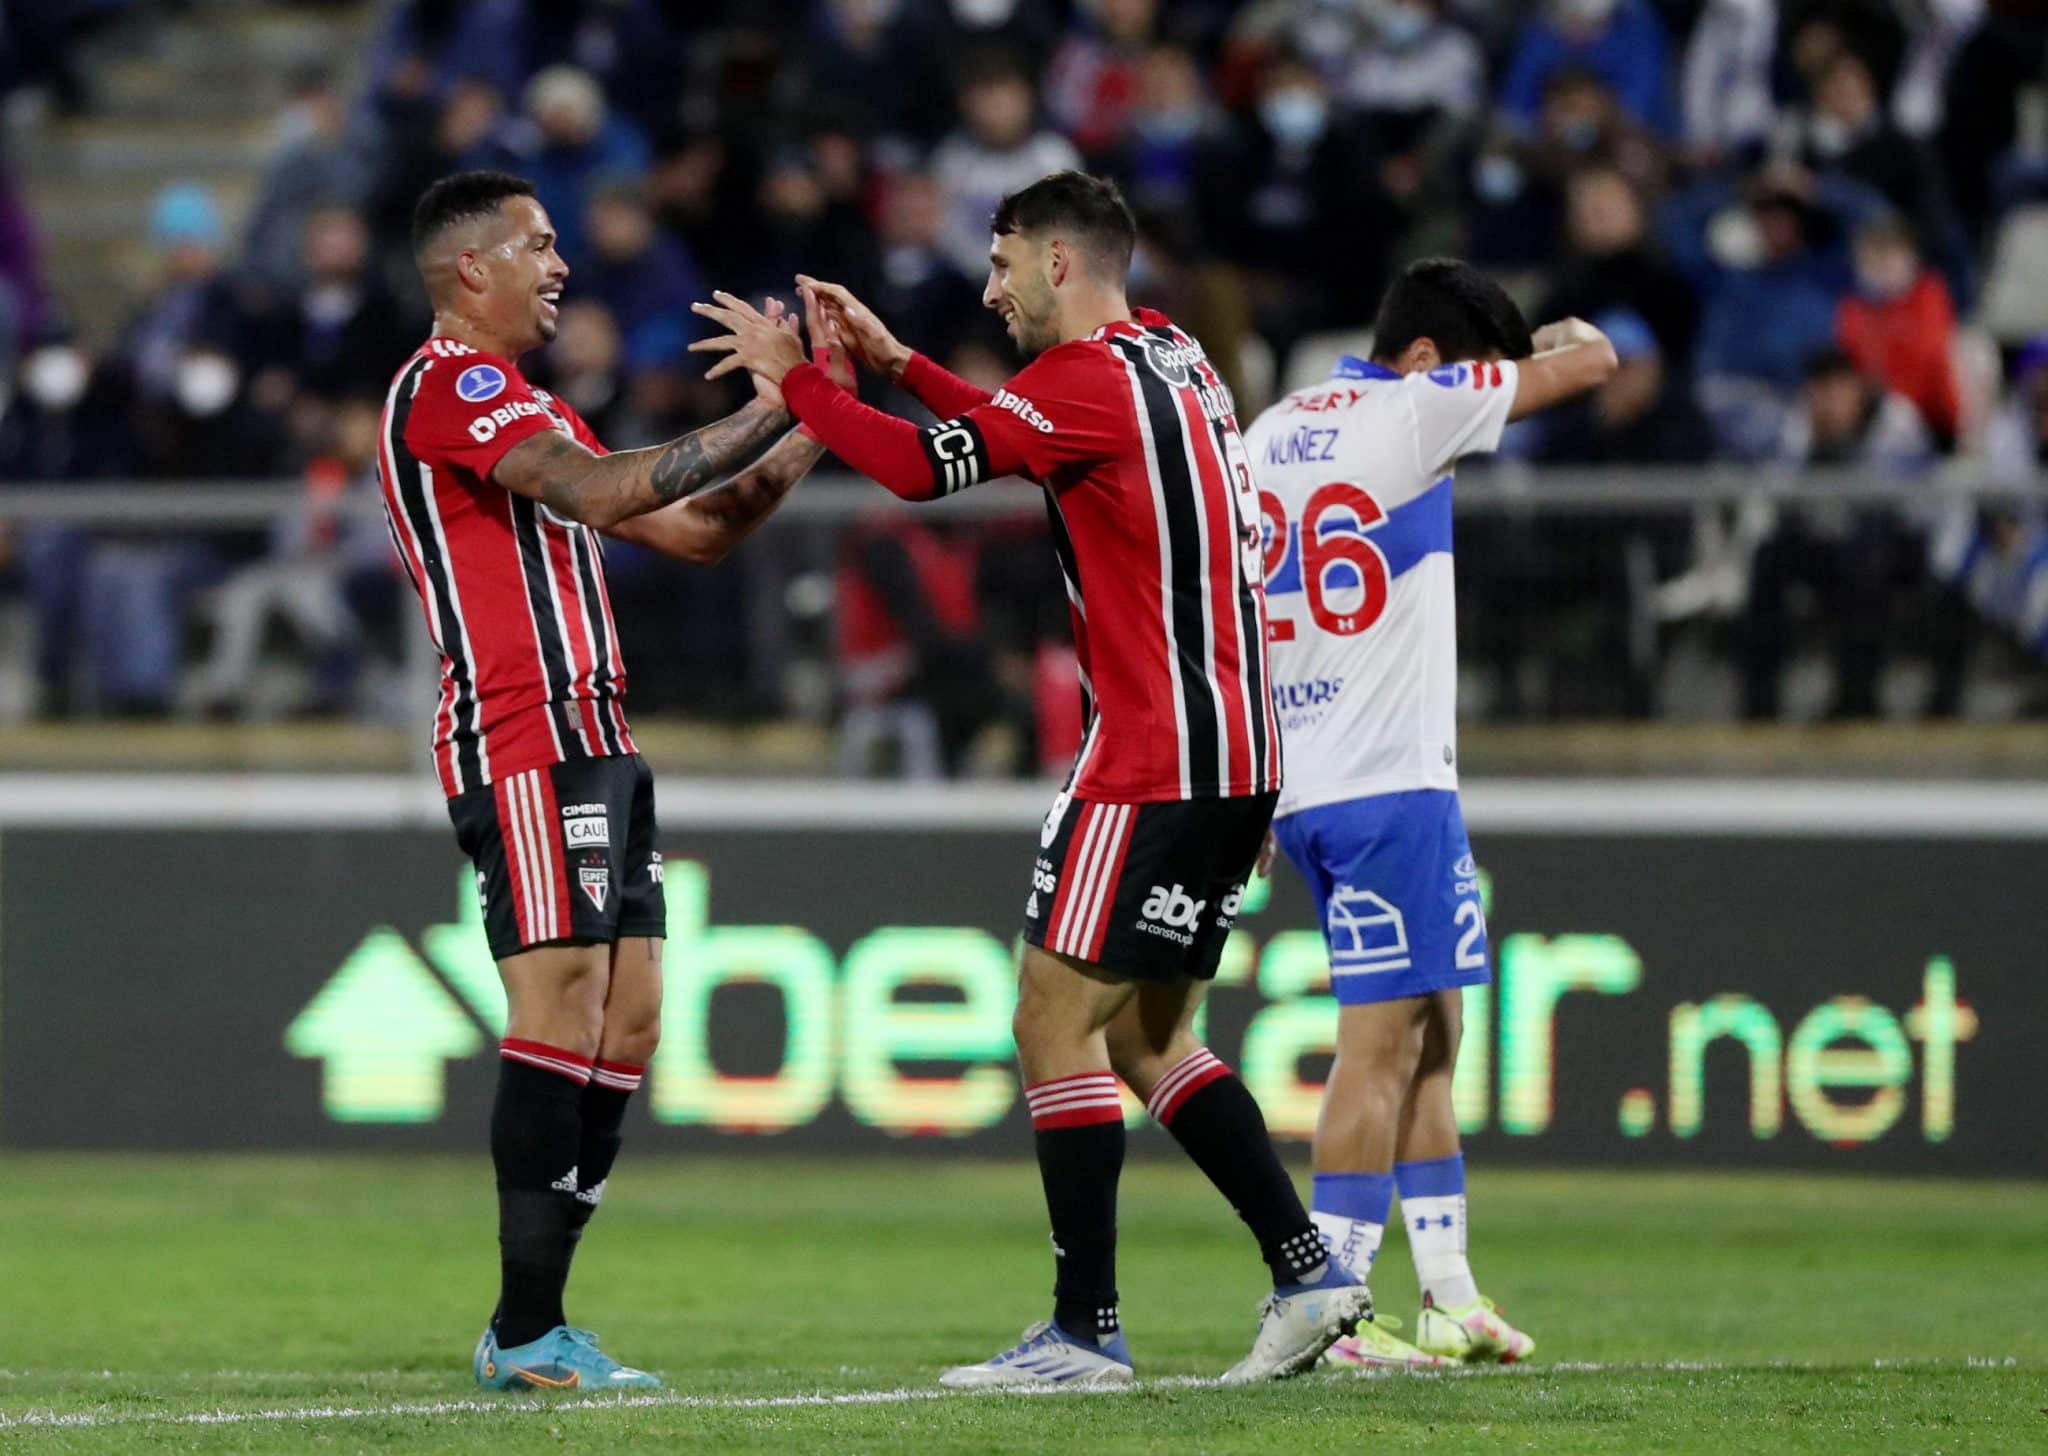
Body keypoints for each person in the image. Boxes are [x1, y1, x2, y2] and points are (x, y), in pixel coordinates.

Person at [693, 171, 1368, 1386]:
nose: (989, 287)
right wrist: (901, 360)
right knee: (1151, 1042)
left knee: (1048, 1021)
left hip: (1148, 758)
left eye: (1002, 263)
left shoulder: (1083, 382)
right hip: (1236, 760)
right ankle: (1308, 1268)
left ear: (1059, 262)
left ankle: (1082, 1331)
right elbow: (1021, 432)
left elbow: (916, 472)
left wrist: (799, 380)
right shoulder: (1173, 359)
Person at [382, 170, 847, 1392]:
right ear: (469, 268)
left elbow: (696, 531)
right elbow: (598, 493)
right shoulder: (453, 388)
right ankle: (527, 1331)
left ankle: (534, 1320)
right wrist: (781, 395)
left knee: (628, 1019)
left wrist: (816, 415)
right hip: (521, 734)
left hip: (599, 734)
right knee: (562, 1002)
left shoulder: (525, 404)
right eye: (538, 245)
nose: (561, 265)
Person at [1240, 259, 1617, 1368]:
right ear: (1423, 362)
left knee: (1433, 1033)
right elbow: (1593, 358)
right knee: (1380, 1047)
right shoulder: (1411, 410)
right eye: (1472, 377)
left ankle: (1447, 1292)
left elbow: (1231, 600)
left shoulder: (1270, 428)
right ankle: (1336, 1305)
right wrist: (1548, 335)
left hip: (1306, 777)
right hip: (1384, 782)